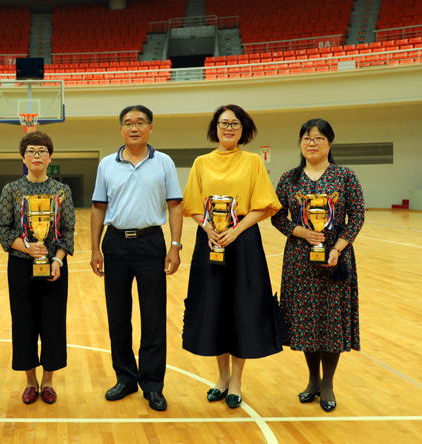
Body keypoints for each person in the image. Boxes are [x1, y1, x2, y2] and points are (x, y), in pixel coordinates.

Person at [181, 104, 283, 409]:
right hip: (210, 239)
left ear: (243, 130)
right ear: (215, 128)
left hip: (243, 240)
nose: (229, 128)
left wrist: (236, 231)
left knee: (243, 308)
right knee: (214, 307)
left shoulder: (252, 162)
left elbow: (262, 206)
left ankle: (237, 381)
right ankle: (222, 378)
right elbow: (192, 205)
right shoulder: (201, 163)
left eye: (235, 123)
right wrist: (207, 228)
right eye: (224, 123)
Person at [90, 105, 183, 412]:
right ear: (121, 129)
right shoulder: (107, 164)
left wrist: (175, 245)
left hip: (151, 243)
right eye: (128, 123)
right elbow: (98, 208)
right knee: (118, 316)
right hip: (115, 243)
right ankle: (126, 378)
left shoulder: (164, 162)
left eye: (140, 122)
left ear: (150, 128)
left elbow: (175, 205)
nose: (134, 127)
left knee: (153, 317)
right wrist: (95, 248)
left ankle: (153, 385)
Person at [271, 118, 364, 412]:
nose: (312, 143)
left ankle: (328, 384)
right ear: (300, 143)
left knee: (331, 321)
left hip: (335, 258)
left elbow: (357, 216)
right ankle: (312, 380)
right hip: (299, 259)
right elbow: (276, 216)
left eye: (319, 138)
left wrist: (337, 248)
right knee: (306, 321)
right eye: (306, 138)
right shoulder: (289, 179)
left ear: (329, 143)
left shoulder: (345, 176)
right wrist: (299, 231)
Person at [0, 132, 75, 405]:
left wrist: (57, 260)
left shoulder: (62, 191)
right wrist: (28, 248)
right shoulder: (11, 190)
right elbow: (3, 229)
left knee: (53, 323)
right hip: (20, 265)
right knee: (24, 323)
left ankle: (48, 381)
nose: (37, 155)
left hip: (54, 267)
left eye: (42, 151)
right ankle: (30, 381)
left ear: (50, 157)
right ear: (23, 158)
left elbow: (68, 230)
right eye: (31, 151)